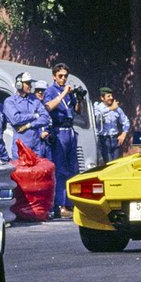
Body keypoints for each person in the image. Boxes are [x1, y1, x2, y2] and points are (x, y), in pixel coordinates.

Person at [44, 63, 83, 217]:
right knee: (60, 169)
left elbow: (77, 110)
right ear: (54, 76)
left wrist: (79, 99)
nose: (63, 79)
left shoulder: (68, 91)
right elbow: (48, 107)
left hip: (70, 130)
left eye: (65, 76)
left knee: (73, 168)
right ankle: (59, 204)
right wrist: (62, 94)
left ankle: (71, 203)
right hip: (58, 130)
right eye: (60, 76)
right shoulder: (51, 90)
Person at [4, 71, 51, 158]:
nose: (30, 86)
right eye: (28, 83)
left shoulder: (35, 100)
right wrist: (35, 116)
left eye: (30, 83)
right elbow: (16, 119)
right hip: (21, 146)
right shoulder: (10, 101)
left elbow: (46, 118)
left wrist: (29, 125)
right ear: (19, 84)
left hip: (37, 147)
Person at [93, 86, 130, 163]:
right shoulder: (97, 107)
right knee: (108, 164)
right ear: (102, 98)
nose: (111, 98)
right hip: (103, 139)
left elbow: (126, 121)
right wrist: (110, 109)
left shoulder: (117, 109)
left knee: (116, 164)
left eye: (111, 96)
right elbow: (97, 115)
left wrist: (123, 134)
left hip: (115, 139)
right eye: (108, 96)